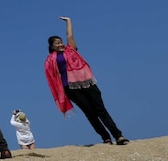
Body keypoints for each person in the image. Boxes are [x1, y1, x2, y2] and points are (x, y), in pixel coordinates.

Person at [44, 16, 129, 146]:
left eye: (61, 42)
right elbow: (53, 79)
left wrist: (68, 21)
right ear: (51, 46)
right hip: (70, 89)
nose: (60, 44)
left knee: (101, 109)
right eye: (57, 43)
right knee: (90, 113)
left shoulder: (71, 49)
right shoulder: (50, 60)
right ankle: (105, 138)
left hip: (87, 83)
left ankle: (118, 136)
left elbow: (70, 34)